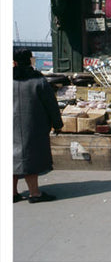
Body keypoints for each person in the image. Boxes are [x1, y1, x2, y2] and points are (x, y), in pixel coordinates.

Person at [13, 49, 63, 203]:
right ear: (31, 61)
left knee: (10, 158)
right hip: (33, 125)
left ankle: (12, 193)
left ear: (13, 62)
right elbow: (51, 106)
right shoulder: (39, 81)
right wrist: (57, 124)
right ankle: (34, 193)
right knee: (30, 158)